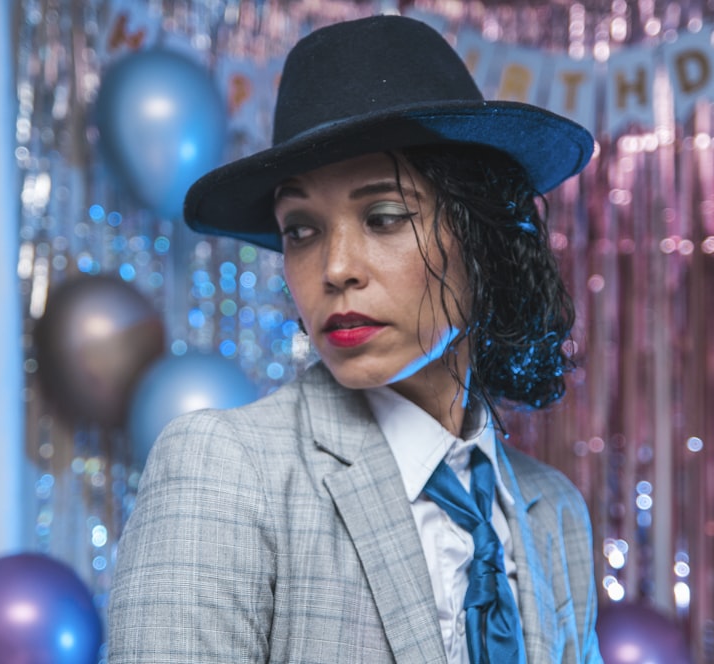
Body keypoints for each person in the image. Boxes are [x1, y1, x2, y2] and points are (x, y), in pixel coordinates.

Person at [108, 14, 601, 664]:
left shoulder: (553, 513)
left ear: (483, 241)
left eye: (384, 216)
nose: (336, 268)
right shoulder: (226, 472)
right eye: (301, 230)